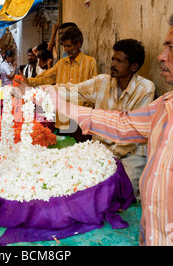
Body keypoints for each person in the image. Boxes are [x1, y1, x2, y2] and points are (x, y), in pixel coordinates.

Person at [44, 5, 173, 246]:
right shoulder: (169, 103)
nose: (161, 56)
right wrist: (63, 105)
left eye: (171, 47)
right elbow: (122, 123)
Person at [49, 39, 155, 199]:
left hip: (130, 154)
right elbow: (72, 91)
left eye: (119, 61)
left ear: (133, 66)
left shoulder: (145, 89)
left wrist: (107, 159)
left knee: (119, 194)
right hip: (101, 149)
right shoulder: (103, 81)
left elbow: (132, 132)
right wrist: (40, 90)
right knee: (70, 182)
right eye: (113, 59)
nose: (113, 63)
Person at [21, 25, 99, 139]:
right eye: (64, 46)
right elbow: (44, 77)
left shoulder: (90, 63)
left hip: (81, 120)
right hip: (63, 118)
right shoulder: (61, 64)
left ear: (78, 44)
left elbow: (94, 91)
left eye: (69, 46)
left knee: (82, 151)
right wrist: (26, 81)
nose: (66, 49)